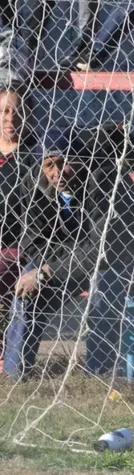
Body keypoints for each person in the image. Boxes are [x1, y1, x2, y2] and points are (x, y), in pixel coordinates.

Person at [4, 122, 134, 378]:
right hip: (71, 262)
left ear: (81, 160)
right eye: (50, 165)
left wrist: (50, 270)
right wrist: (44, 270)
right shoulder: (34, 183)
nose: (58, 173)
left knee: (102, 287)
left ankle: (98, 376)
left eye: (65, 163)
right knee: (26, 289)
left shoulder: (102, 180)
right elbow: (32, 242)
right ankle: (15, 377)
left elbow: (105, 248)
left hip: (132, 259)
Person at [0, 86, 35, 366]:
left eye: (17, 111)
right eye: (4, 111)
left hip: (17, 248)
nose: (10, 118)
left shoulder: (36, 156)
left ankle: (5, 360)